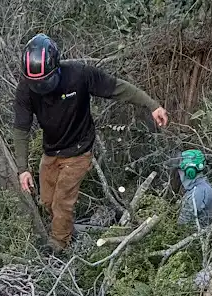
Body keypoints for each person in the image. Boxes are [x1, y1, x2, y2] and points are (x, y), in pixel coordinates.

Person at [12, 35, 169, 251]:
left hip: (78, 150)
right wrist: (22, 169)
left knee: (61, 202)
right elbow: (21, 128)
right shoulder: (26, 89)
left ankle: (58, 245)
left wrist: (152, 106)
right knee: (47, 202)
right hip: (51, 151)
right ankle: (67, 229)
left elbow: (118, 88)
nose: (43, 88)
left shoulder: (79, 75)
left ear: (56, 66)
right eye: (37, 84)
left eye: (46, 81)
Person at [176, 148, 212, 231]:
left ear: (190, 172)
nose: (180, 175)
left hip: (195, 239)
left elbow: (184, 224)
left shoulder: (197, 192)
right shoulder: (202, 187)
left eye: (181, 171)